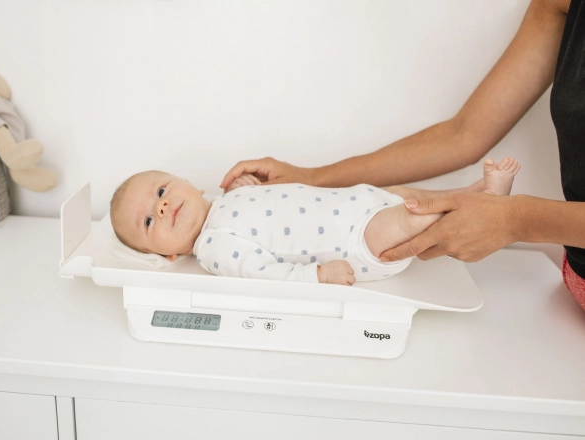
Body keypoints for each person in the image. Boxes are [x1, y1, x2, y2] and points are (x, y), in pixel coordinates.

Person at [220, 0, 585, 309]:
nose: (162, 208)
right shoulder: (558, 4)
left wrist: (516, 219)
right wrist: (310, 178)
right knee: (402, 199)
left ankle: (487, 198)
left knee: (401, 220)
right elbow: (464, 135)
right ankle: (483, 195)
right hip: (574, 278)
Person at [110, 158, 519, 285]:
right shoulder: (212, 247)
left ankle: (475, 195)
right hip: (352, 242)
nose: (162, 207)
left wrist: (247, 189)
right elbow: (263, 273)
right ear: (165, 254)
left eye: (161, 191)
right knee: (418, 219)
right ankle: (484, 200)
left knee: (415, 205)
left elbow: (267, 211)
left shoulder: (223, 204)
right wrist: (317, 277)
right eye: (149, 221)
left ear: (187, 184)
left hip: (358, 204)